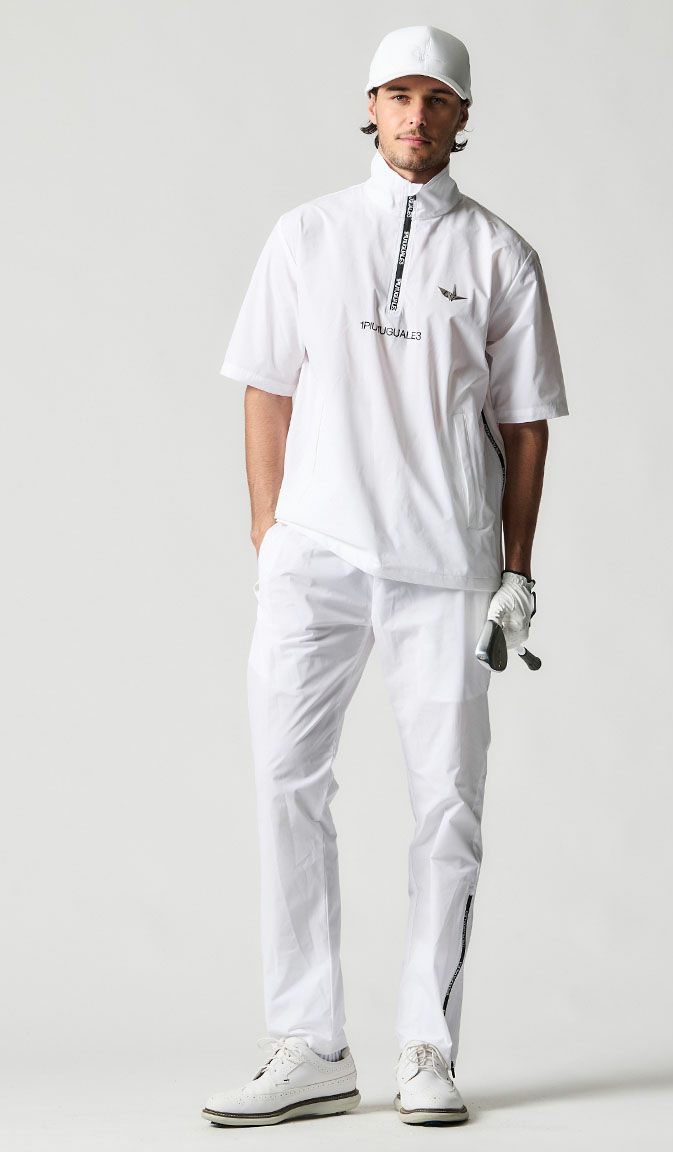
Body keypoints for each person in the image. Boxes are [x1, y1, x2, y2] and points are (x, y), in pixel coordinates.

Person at [202, 24, 568, 1129]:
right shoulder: (307, 235)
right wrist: (270, 536)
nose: (416, 114)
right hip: (315, 557)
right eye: (398, 95)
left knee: (447, 804)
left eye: (437, 98)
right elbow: (267, 386)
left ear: (463, 117)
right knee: (285, 782)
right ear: (370, 106)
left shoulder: (501, 256)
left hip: (447, 566)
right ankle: (310, 1043)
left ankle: (427, 1048)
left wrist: (517, 570)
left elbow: (525, 422)